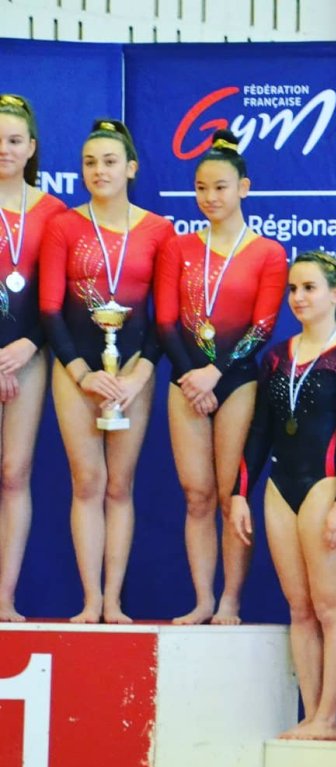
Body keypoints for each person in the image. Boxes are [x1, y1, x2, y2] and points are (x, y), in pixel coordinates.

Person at [230, 251, 336, 740]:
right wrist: (239, 493)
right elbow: (259, 432)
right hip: (279, 487)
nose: (298, 297)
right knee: (299, 608)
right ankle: (312, 715)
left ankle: (329, 716)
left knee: (330, 605)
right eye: (293, 288)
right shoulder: (276, 357)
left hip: (325, 485)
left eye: (309, 288)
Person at [39, 119, 173, 623]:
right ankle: (90, 599)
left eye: (110, 161)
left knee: (119, 485)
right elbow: (50, 309)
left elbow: (165, 318)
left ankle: (113, 599)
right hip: (76, 370)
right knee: (88, 482)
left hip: (133, 368)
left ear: (131, 168)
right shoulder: (63, 226)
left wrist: (138, 376)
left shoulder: (158, 230)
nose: (100, 170)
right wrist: (81, 373)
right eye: (90, 162)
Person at [155, 129, 287, 625]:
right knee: (197, 496)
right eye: (201, 188)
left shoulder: (267, 252)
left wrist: (215, 373)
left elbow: (263, 325)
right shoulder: (178, 248)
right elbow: (166, 321)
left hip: (237, 381)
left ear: (244, 188)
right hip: (185, 380)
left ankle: (230, 599)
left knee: (233, 496)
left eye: (220, 187)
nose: (210, 197)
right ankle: (203, 599)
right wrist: (192, 375)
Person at [0, 94, 65, 621]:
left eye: (14, 140)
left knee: (14, 472)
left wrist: (28, 345)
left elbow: (58, 298)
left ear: (31, 147)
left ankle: (4, 595)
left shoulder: (53, 213)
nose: (4, 148)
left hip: (30, 352)